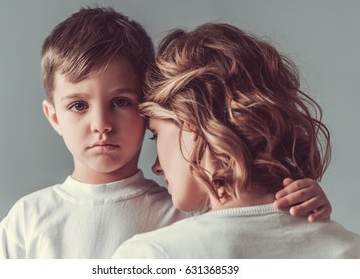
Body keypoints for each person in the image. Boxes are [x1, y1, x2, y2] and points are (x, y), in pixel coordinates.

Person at [0, 8, 331, 259]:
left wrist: (300, 206)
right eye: (78, 106)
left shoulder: (190, 204)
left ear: (149, 109)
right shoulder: (28, 218)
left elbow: (257, 233)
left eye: (120, 102)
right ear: (54, 117)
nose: (101, 124)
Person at [112, 22, 360, 258]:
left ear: (191, 124)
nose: (156, 166)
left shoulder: (151, 257)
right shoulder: (349, 251)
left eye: (156, 134)